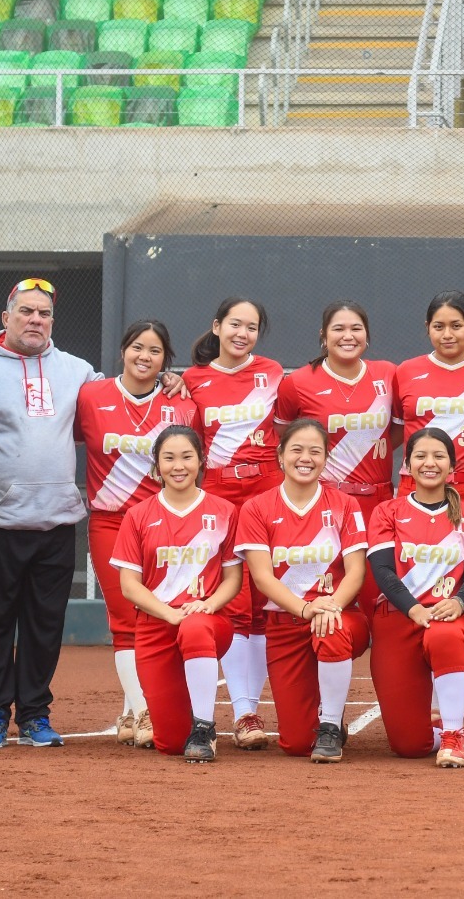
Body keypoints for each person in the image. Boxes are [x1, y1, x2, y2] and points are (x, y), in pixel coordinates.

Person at [0, 277, 98, 750]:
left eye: (45, 313)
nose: (36, 320)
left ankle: (35, 713)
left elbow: (122, 403)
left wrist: (169, 380)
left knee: (44, 625)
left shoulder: (78, 371)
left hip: (56, 520)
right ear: (6, 317)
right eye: (27, 311)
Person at [393, 290, 464, 751]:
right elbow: (395, 433)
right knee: (415, 586)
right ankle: (418, 704)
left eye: (456, 325)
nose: (448, 334)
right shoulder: (406, 372)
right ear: (427, 330)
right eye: (439, 326)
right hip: (413, 488)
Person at [75, 320, 197, 748]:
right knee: (126, 618)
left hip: (161, 522)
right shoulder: (91, 395)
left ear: (167, 359)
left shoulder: (180, 404)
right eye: (137, 347)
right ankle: (144, 711)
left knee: (159, 613)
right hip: (109, 520)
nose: (144, 357)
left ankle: (131, 709)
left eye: (156, 351)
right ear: (123, 350)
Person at [235, 419, 371, 763]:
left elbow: (356, 571)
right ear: (280, 455)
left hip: (340, 617)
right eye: (296, 449)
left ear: (326, 458)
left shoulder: (345, 504)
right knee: (296, 743)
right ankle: (327, 715)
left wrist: (330, 607)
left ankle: (329, 726)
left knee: (332, 631)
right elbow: (262, 577)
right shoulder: (256, 508)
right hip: (284, 626)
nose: (305, 458)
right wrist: (304, 608)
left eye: (315, 451)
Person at [183, 297, 281, 751]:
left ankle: (251, 709)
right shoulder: (190, 380)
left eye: (253, 326)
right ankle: (244, 710)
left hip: (268, 490)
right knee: (235, 599)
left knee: (265, 600)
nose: (243, 333)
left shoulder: (276, 373)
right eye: (235, 324)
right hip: (219, 493)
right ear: (217, 326)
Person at [111, 426, 242, 763]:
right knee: (169, 742)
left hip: (208, 622)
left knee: (195, 627)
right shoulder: (138, 515)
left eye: (187, 456)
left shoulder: (225, 511)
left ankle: (204, 727)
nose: (178, 465)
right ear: (157, 466)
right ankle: (185, 722)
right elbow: (129, 585)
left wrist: (208, 605)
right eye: (168, 458)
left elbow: (233, 579)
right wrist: (170, 614)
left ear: (201, 461)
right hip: (157, 626)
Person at [367, 429, 464, 767]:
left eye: (439, 456)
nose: (429, 463)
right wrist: (412, 609)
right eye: (420, 456)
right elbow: (382, 570)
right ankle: (443, 734)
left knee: (444, 633)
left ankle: (454, 734)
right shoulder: (387, 512)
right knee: (409, 745)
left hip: (448, 619)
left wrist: (459, 603)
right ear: (407, 464)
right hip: (398, 618)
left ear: (452, 466)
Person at [275, 300, 397, 622]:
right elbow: (285, 439)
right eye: (338, 328)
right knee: (322, 600)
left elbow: (395, 433)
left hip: (378, 503)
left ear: (367, 335)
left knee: (378, 601)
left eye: (356, 328)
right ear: (323, 335)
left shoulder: (388, 374)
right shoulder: (297, 382)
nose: (348, 335)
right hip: (325, 503)